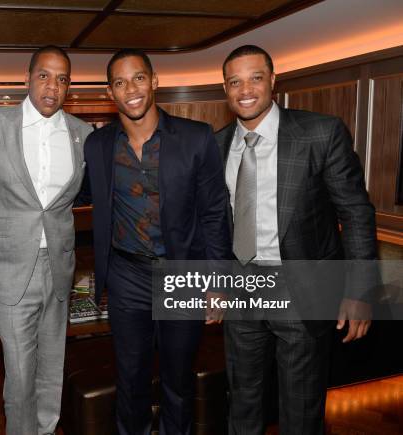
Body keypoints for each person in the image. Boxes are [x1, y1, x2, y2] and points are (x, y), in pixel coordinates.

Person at [216, 44, 376, 434]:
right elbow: (214, 224)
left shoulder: (320, 132)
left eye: (255, 77)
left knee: (301, 408)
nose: (245, 89)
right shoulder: (216, 144)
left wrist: (359, 292)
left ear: (273, 80)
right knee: (243, 400)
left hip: (302, 287)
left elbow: (355, 213)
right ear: (225, 89)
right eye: (234, 81)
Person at [80, 49, 230, 435]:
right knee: (130, 378)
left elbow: (215, 213)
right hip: (126, 275)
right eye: (119, 82)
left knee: (177, 380)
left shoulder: (196, 138)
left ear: (154, 81)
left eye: (138, 78)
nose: (130, 89)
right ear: (110, 91)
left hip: (182, 274)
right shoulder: (97, 147)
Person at [0, 45, 92, 435]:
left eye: (62, 79)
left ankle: (46, 429)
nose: (52, 86)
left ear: (68, 87)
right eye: (44, 75)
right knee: (21, 372)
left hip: (59, 268)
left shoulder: (82, 134)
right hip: (10, 268)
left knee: (51, 366)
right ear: (27, 78)